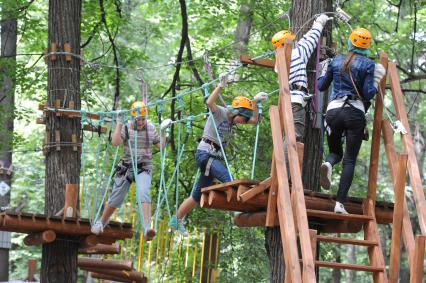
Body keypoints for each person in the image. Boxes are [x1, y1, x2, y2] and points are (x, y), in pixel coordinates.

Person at [169, 74, 267, 236]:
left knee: (196, 195)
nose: (244, 122)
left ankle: (177, 219)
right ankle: (238, 209)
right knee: (228, 178)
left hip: (212, 156)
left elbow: (255, 120)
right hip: (205, 153)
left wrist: (255, 102)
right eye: (243, 118)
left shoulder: (234, 119)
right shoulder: (220, 112)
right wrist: (221, 85)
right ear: (237, 112)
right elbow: (209, 102)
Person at [317, 28, 386, 214]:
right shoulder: (368, 65)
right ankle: (339, 204)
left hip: (333, 112)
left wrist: (324, 70)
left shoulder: (335, 60)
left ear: (350, 42)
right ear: (367, 46)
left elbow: (321, 86)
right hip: (354, 113)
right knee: (349, 161)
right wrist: (377, 80)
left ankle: (329, 164)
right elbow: (367, 94)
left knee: (335, 152)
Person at [91, 101, 171, 241]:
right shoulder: (127, 127)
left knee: (143, 192)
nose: (140, 122)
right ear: (133, 118)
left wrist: (163, 133)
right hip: (126, 166)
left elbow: (161, 147)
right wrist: (119, 123)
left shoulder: (151, 128)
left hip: (143, 167)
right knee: (116, 196)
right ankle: (101, 222)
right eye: (138, 119)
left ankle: (147, 228)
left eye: (143, 119)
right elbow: (116, 142)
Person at [271, 13, 332, 143]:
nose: (294, 42)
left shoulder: (279, 62)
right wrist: (319, 22)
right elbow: (311, 40)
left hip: (286, 100)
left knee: (287, 136)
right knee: (294, 138)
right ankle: (289, 163)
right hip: (296, 102)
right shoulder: (297, 54)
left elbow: (303, 43)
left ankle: (286, 160)